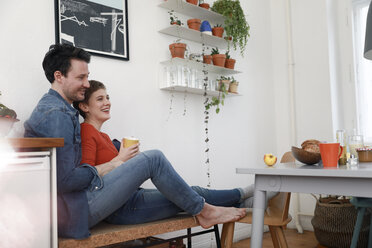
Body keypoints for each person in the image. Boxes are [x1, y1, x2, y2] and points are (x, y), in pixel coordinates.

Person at [24, 44, 258, 239]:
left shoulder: (59, 110)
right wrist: (115, 164)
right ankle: (214, 209)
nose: (86, 83)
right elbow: (65, 180)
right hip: (78, 210)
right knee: (153, 159)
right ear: (59, 76)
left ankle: (247, 204)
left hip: (81, 204)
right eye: (81, 77)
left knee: (184, 193)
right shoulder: (57, 114)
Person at [72, 80, 265, 230]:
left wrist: (126, 162)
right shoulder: (86, 131)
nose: (107, 102)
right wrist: (120, 160)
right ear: (84, 107)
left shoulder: (103, 135)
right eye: (100, 99)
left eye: (107, 97)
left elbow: (115, 172)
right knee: (188, 190)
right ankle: (245, 194)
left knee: (192, 191)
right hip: (121, 209)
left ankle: (245, 202)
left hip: (132, 197)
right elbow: (88, 180)